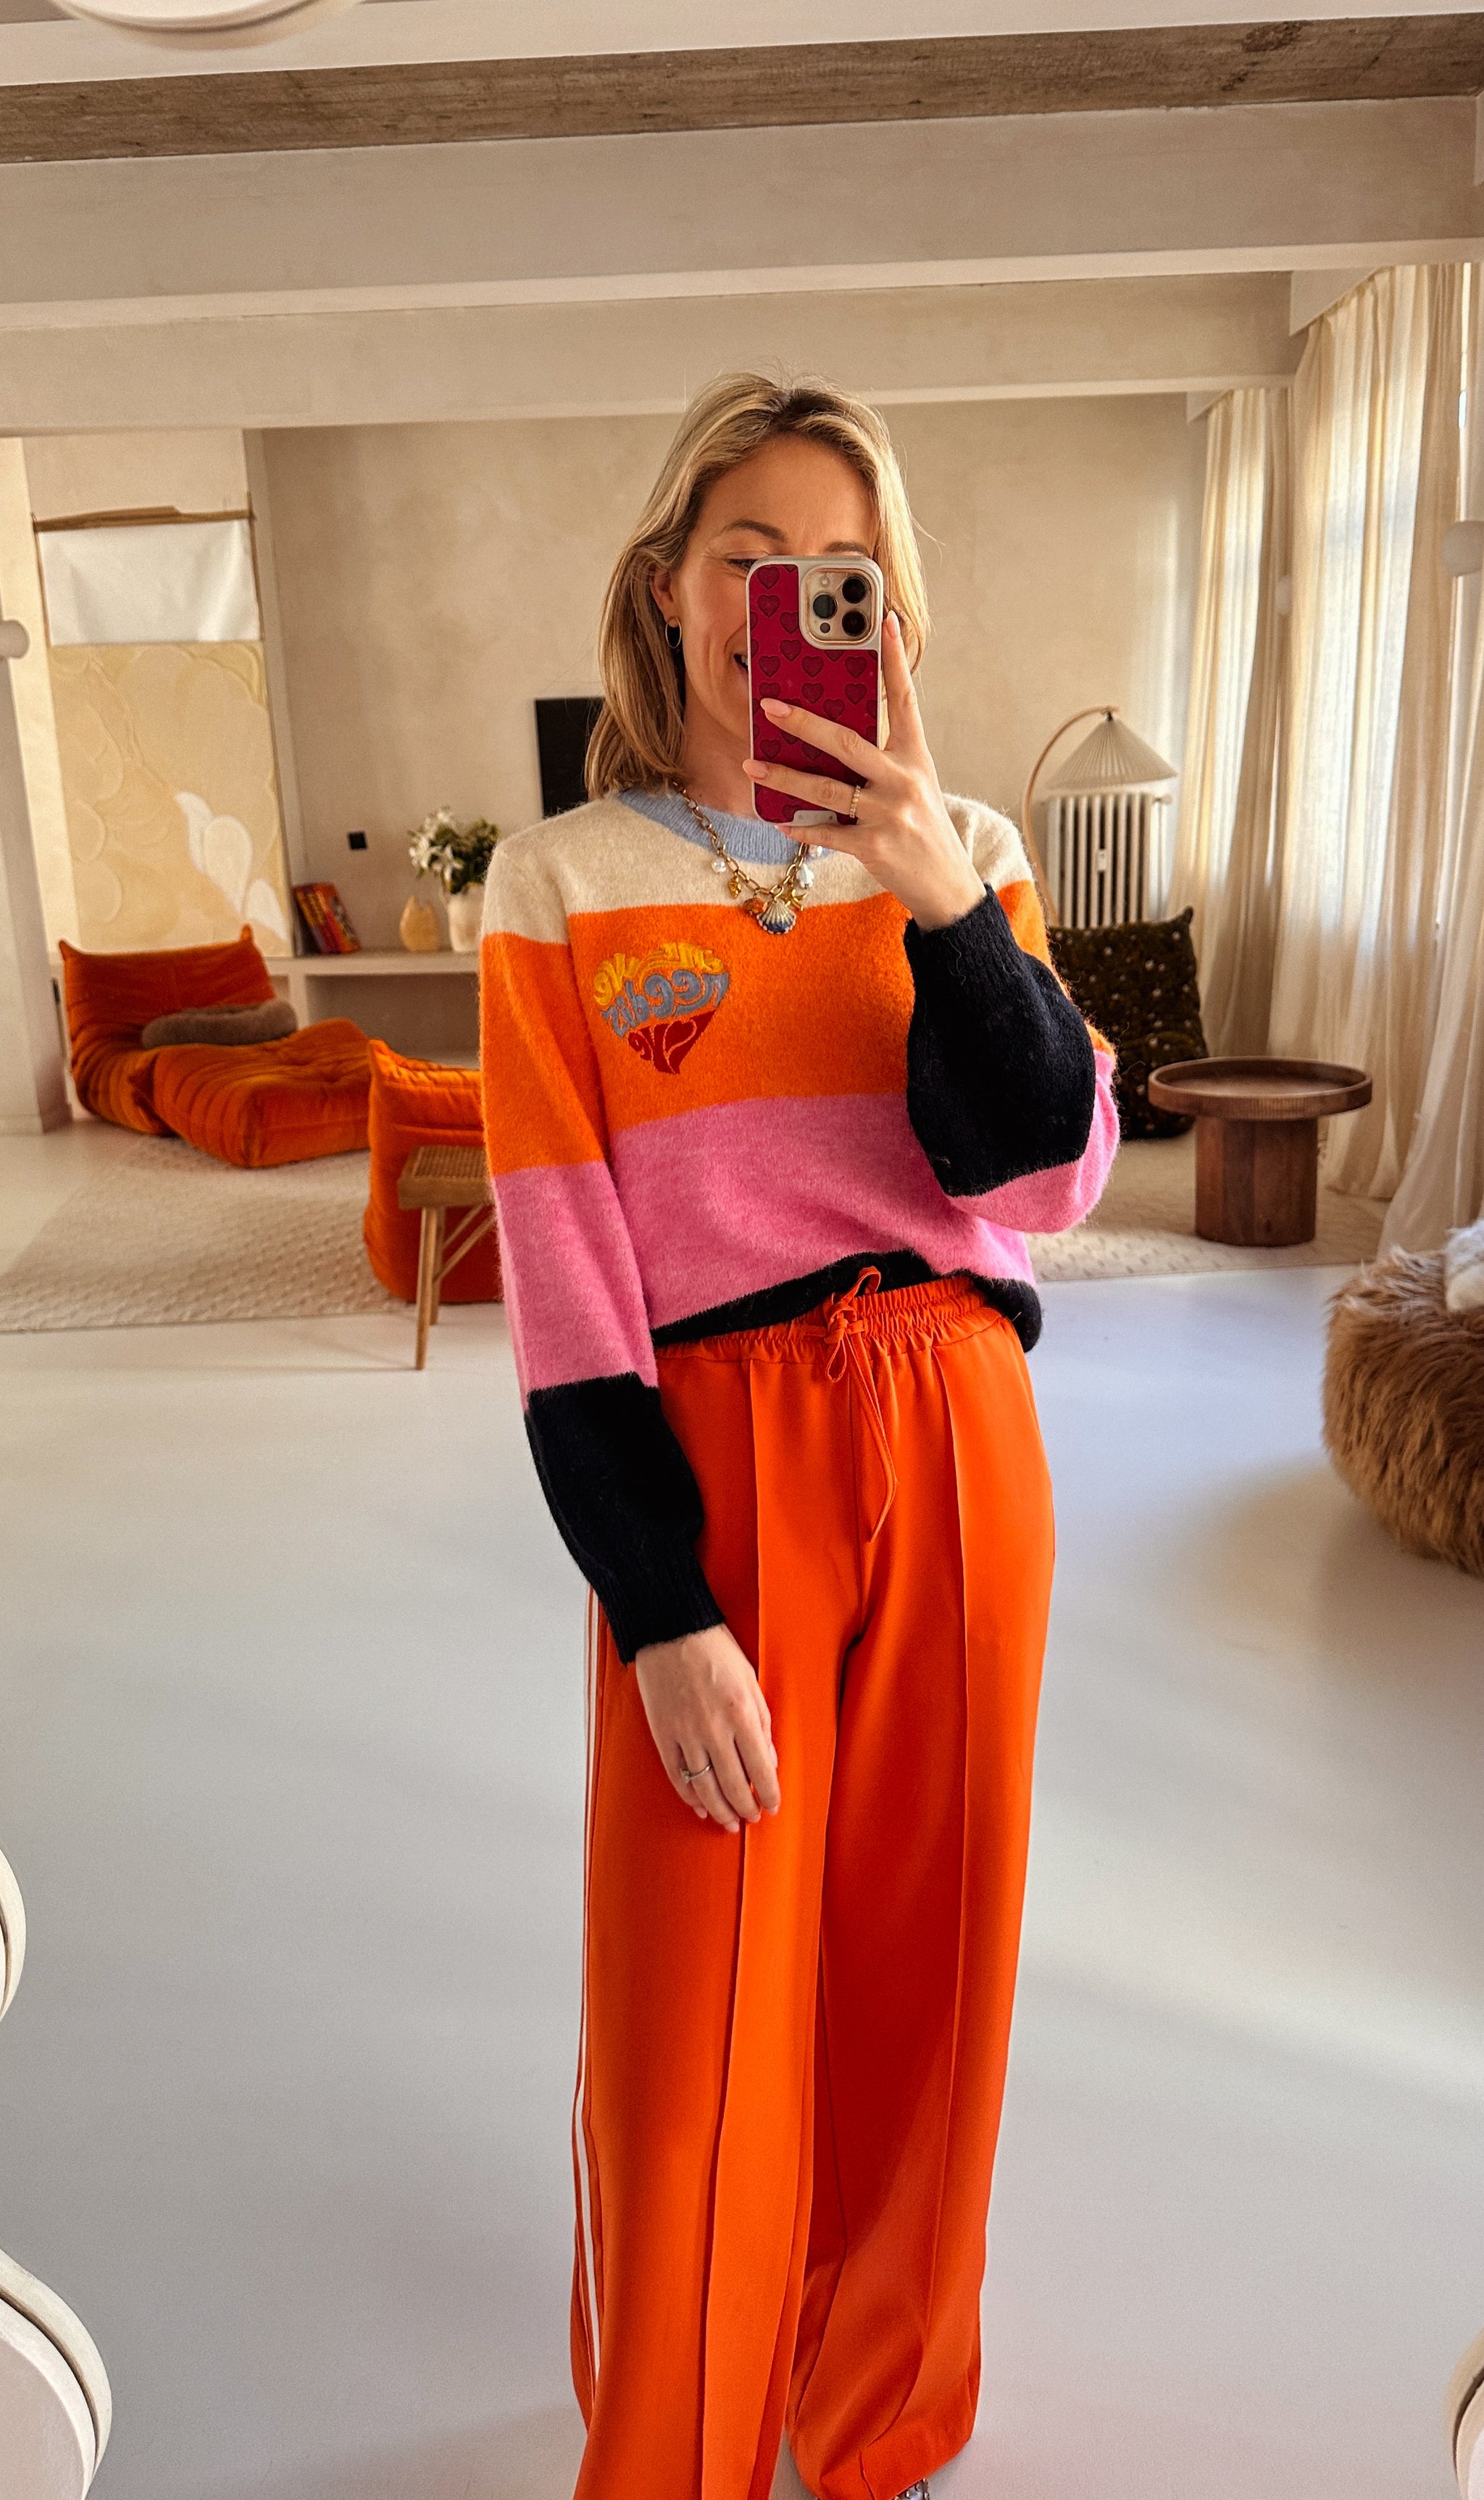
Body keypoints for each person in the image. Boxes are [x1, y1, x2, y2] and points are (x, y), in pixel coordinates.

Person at [479, 372, 1117, 2500]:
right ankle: (675, 2444)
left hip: (956, 1426)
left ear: (889, 617)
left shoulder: (971, 854)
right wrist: (660, 1607)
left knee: (931, 1979)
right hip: (718, 1455)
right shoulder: (557, 882)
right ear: (670, 591)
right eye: (746, 558)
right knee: (694, 2006)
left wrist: (939, 901)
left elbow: (1044, 1175)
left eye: (837, 571)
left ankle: (877, 2431)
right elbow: (566, 1283)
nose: (786, 601)